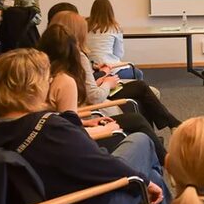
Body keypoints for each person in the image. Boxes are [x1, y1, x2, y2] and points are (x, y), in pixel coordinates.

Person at [0, 49, 169, 204]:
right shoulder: (48, 128)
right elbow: (98, 163)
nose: (49, 82)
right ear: (32, 87)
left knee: (153, 176)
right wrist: (143, 182)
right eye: (46, 78)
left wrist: (71, 122)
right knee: (141, 141)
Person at [38, 24, 168, 163]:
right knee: (137, 115)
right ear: (72, 49)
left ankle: (161, 153)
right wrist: (99, 126)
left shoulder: (44, 74)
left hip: (77, 126)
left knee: (138, 105)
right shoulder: (64, 81)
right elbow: (70, 129)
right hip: (79, 140)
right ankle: (166, 159)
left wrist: (85, 121)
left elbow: (63, 118)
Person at [50, 11, 182, 131]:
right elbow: (93, 96)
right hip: (93, 101)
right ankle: (170, 126)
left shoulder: (51, 56)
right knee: (140, 87)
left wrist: (99, 77)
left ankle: (170, 125)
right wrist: (107, 83)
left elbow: (81, 85)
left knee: (140, 87)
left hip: (90, 92)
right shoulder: (79, 57)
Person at [86, 0, 143, 80]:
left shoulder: (85, 27)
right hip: (110, 69)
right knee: (138, 73)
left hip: (91, 70)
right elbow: (119, 54)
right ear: (110, 11)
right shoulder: (115, 28)